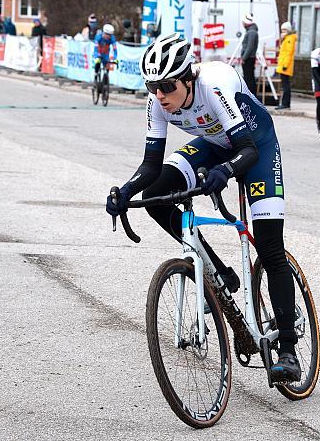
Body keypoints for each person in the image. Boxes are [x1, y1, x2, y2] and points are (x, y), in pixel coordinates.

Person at [105, 33, 301, 382]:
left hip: (256, 148)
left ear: (187, 78)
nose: (160, 95)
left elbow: (248, 151)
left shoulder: (213, 87)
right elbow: (151, 165)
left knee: (270, 248)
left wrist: (226, 171)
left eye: (166, 86)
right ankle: (220, 271)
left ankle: (287, 349)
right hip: (214, 145)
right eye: (152, 87)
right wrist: (126, 190)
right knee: (157, 194)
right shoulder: (157, 103)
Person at [276, 22, 297, 110]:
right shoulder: (287, 38)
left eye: (285, 30)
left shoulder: (289, 39)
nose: (283, 32)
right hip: (284, 65)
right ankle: (285, 103)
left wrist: (285, 65)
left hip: (285, 66)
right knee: (285, 85)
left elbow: (288, 53)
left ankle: (285, 104)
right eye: (282, 30)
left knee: (286, 86)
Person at [240, 13, 259, 95]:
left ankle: (251, 96)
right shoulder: (252, 31)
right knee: (249, 78)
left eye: (243, 22)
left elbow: (250, 47)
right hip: (249, 58)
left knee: (249, 79)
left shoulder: (251, 32)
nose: (242, 24)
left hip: (248, 59)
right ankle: (251, 95)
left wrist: (244, 58)